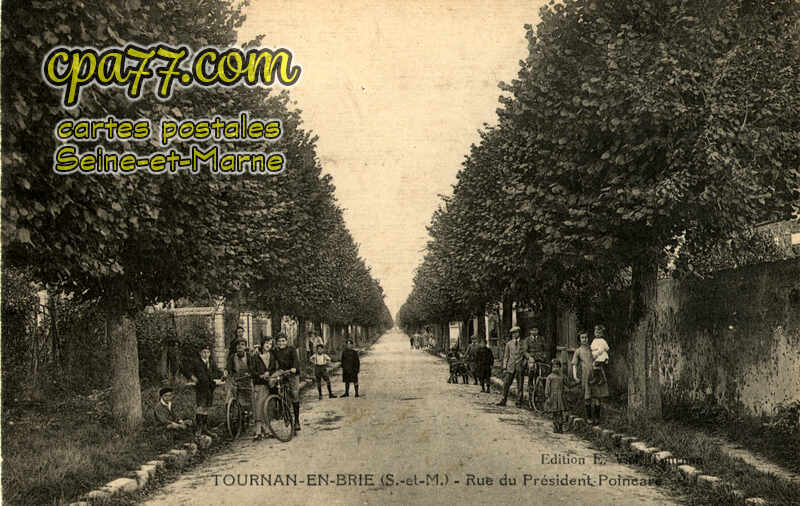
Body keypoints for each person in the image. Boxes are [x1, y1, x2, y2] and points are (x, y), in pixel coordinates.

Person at [185, 342, 223, 437]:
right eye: (204, 352)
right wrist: (192, 377)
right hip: (201, 387)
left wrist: (223, 375)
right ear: (200, 353)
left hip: (210, 387)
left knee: (206, 408)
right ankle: (199, 428)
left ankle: (205, 428)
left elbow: (217, 372)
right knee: (200, 407)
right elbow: (187, 371)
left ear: (210, 353)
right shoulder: (196, 362)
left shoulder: (211, 362)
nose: (206, 354)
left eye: (207, 352)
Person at [572, 331, 609, 424]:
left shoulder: (592, 348)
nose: (585, 339)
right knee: (587, 397)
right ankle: (589, 418)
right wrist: (575, 376)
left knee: (597, 397)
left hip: (595, 375)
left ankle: (597, 418)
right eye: (582, 338)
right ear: (579, 340)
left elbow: (601, 355)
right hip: (586, 376)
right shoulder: (578, 351)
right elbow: (574, 364)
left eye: (586, 337)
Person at [270, 332, 302, 432]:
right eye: (279, 341)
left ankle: (297, 420)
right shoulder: (275, 351)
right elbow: (271, 361)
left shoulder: (291, 349)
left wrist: (294, 368)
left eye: (283, 341)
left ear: (286, 341)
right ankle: (283, 412)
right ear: (276, 342)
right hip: (282, 373)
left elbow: (296, 360)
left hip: (292, 373)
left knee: (294, 394)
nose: (281, 343)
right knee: (277, 389)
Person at [250, 337, 275, 441]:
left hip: (269, 385)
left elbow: (273, 367)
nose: (268, 345)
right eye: (266, 343)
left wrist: (269, 373)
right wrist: (260, 375)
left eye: (270, 344)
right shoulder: (255, 357)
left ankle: (267, 429)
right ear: (262, 344)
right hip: (259, 384)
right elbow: (252, 370)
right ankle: (258, 431)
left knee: (268, 407)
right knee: (258, 406)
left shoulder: (271, 356)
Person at [497, 326, 527, 406]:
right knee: (506, 383)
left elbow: (525, 354)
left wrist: (523, 364)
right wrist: (504, 366)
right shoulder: (509, 344)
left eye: (516, 332)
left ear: (519, 333)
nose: (514, 334)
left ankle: (519, 401)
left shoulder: (523, 343)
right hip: (510, 366)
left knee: (520, 385)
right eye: (513, 333)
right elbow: (506, 356)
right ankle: (503, 399)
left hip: (520, 366)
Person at [544, 359, 566, 433]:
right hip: (553, 397)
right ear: (551, 368)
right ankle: (555, 427)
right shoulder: (549, 377)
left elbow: (565, 385)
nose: (555, 368)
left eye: (557, 367)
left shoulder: (561, 377)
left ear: (559, 368)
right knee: (554, 412)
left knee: (560, 412)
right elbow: (547, 387)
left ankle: (560, 427)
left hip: (560, 397)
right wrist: (547, 396)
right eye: (554, 367)